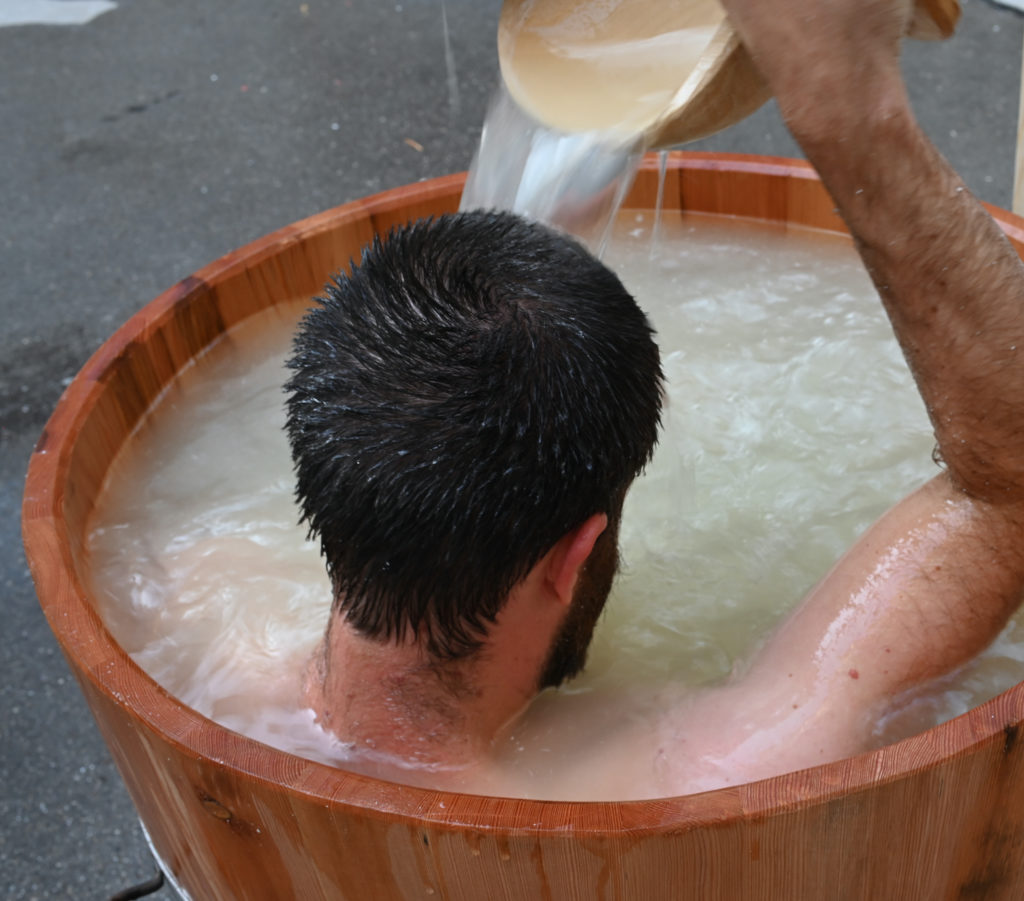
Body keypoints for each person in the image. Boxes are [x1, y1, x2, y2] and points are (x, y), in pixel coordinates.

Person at [285, 0, 1024, 798]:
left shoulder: (201, 639)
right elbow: (1011, 485)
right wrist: (848, 110)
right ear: (570, 561)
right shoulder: (702, 773)